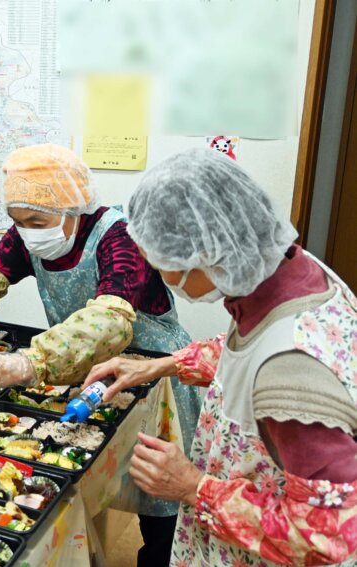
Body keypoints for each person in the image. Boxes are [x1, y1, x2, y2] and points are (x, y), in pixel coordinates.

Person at [0, 143, 201, 566]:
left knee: (159, 497)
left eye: (36, 221)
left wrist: (25, 363)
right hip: (79, 366)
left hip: (151, 373)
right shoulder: (31, 232)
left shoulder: (120, 235)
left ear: (75, 208)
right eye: (18, 222)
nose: (27, 232)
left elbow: (110, 320)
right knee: (81, 479)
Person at [85, 148, 357, 566]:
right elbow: (244, 357)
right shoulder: (289, 271)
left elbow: (325, 535)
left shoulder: (291, 371)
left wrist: (192, 486)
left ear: (208, 255)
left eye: (162, 264)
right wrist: (160, 366)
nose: (158, 274)